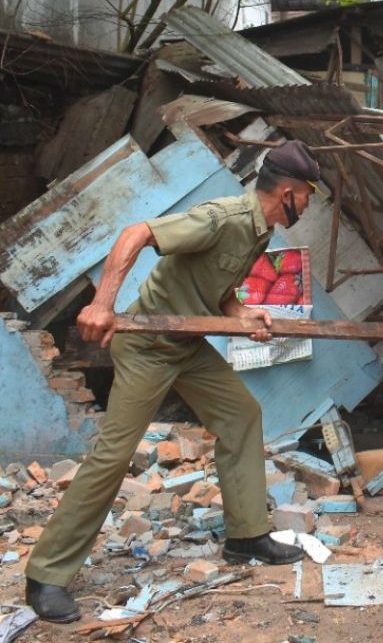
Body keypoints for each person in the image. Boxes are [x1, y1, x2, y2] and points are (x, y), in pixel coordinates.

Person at [24, 141, 321, 622]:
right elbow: (134, 233)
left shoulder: (258, 232)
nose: (308, 204)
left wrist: (243, 314)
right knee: (113, 455)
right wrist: (102, 303)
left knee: (242, 414)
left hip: (185, 345)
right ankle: (46, 576)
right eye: (308, 195)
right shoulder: (221, 217)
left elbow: (218, 289)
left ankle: (246, 535)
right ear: (288, 192)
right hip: (147, 346)